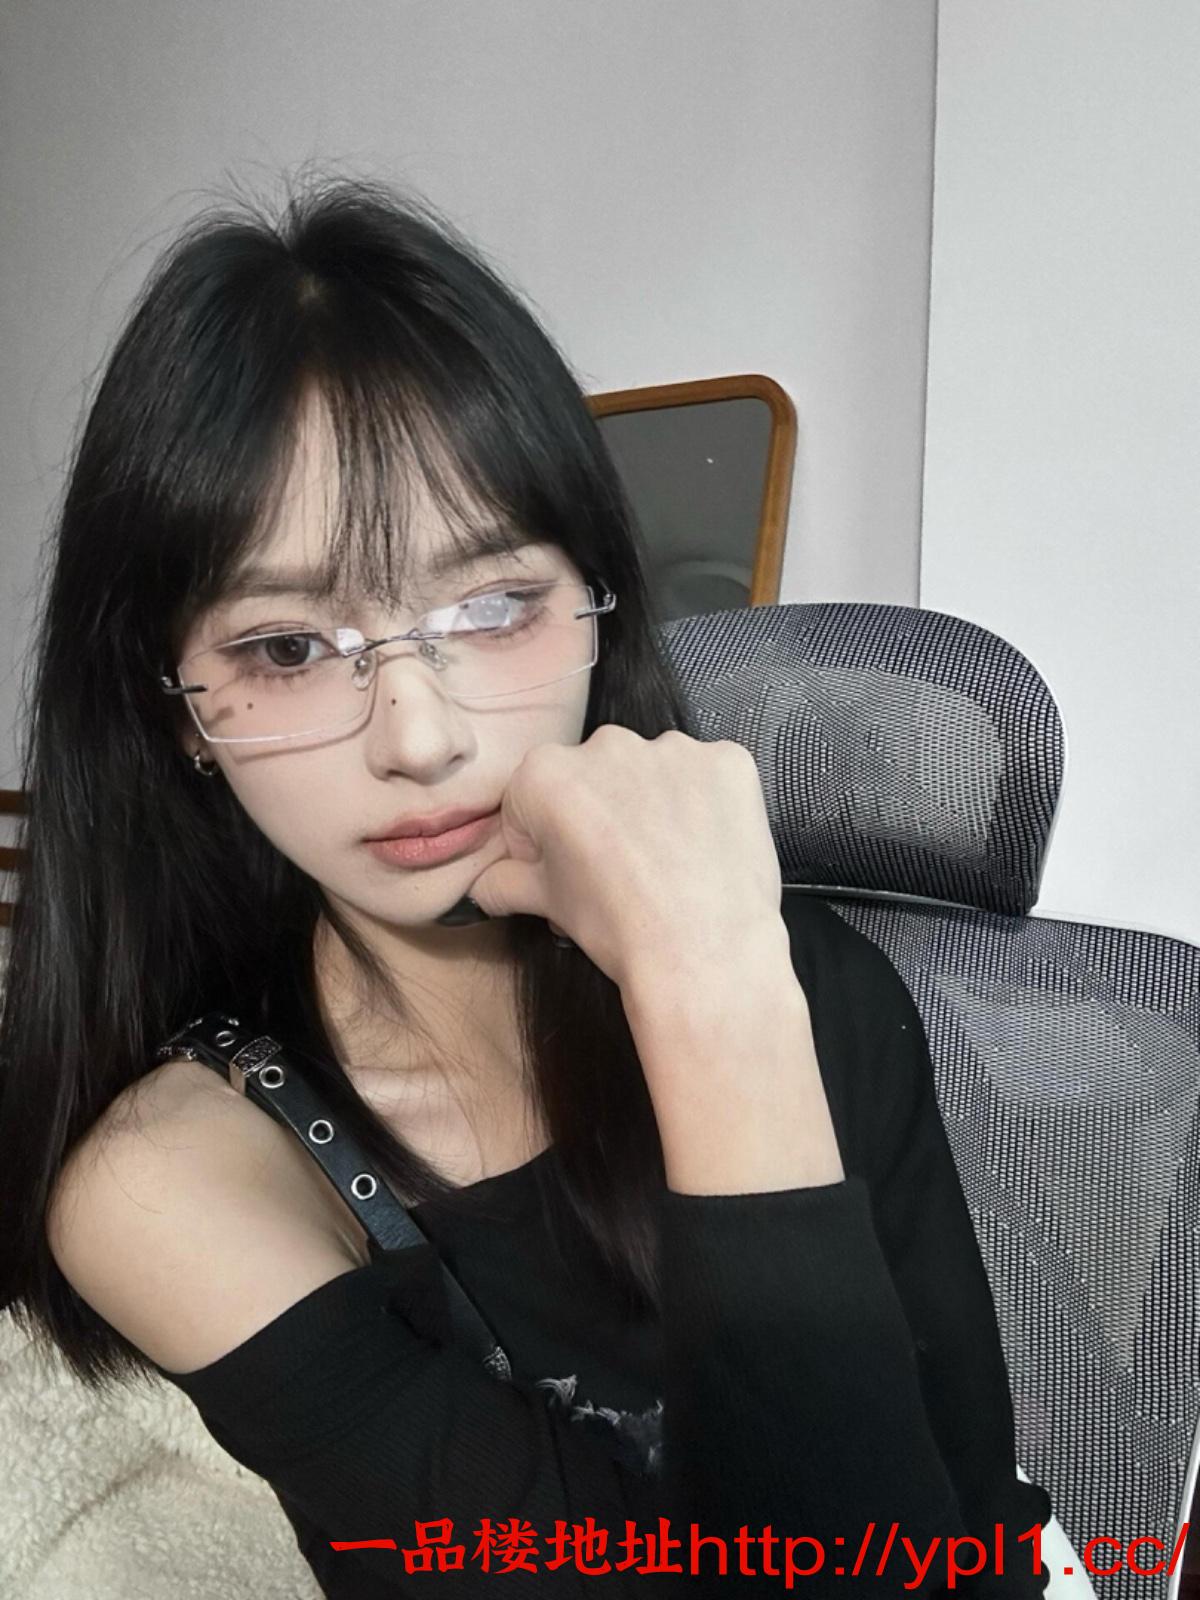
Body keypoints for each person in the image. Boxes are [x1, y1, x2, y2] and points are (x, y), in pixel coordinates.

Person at [0, 173, 1053, 1597]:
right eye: (288, 649)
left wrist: (714, 994)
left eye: (493, 607)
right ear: (178, 709)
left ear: (599, 605)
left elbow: (965, 1533)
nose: (419, 738)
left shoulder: (789, 978)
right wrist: (718, 1002)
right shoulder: (174, 1184)